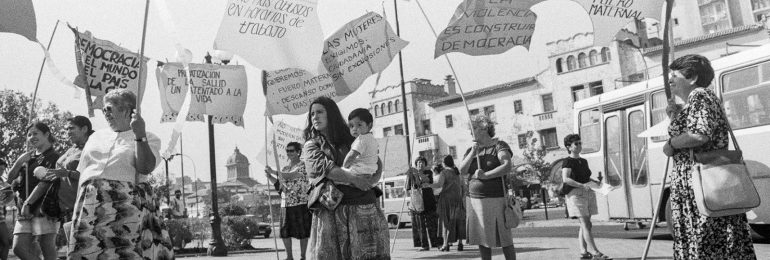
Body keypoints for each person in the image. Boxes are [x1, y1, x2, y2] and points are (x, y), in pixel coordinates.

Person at [664, 54, 756, 259]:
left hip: (702, 184)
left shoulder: (700, 95)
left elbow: (699, 134)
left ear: (692, 77)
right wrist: (675, 115)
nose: (670, 80)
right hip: (702, 183)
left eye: (675, 75)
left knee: (708, 241)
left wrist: (670, 144)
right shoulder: (695, 100)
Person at [68, 89, 174, 259]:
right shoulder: (95, 137)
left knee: (125, 252)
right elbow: (83, 173)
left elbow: (145, 167)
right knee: (87, 252)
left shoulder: (149, 137)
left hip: (125, 206)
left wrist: (140, 135)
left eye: (109, 109)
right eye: (104, 109)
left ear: (127, 110)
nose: (105, 113)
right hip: (90, 204)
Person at [302, 96, 389, 260]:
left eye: (320, 112)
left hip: (365, 206)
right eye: (312, 114)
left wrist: (370, 182)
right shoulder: (311, 145)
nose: (315, 117)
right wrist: (356, 180)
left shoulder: (355, 138)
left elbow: (376, 161)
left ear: (331, 114)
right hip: (333, 211)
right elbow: (326, 169)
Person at [458, 115, 515, 260]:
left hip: (495, 199)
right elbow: (462, 170)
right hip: (474, 200)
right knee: (482, 239)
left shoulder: (499, 146)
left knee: (504, 238)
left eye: (474, 128)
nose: (471, 132)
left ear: (484, 128)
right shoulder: (472, 149)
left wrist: (486, 175)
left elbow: (507, 165)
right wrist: (472, 152)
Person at [6, 122, 61, 260]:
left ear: (47, 134)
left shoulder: (54, 156)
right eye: (29, 134)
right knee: (19, 248)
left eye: (35, 133)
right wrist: (19, 162)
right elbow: (9, 178)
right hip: (23, 209)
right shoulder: (27, 157)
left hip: (44, 208)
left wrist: (28, 204)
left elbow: (45, 183)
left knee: (46, 245)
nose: (31, 137)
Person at [561, 134, 607, 260]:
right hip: (576, 194)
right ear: (569, 147)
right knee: (585, 224)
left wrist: (595, 182)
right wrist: (581, 185)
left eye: (580, 143)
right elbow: (566, 179)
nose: (579, 145)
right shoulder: (567, 161)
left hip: (587, 192)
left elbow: (585, 177)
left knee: (586, 224)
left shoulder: (583, 161)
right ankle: (595, 252)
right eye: (576, 143)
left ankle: (583, 252)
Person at [265, 141, 312, 260]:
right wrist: (270, 176)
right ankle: (289, 256)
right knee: (284, 231)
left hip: (300, 202)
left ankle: (302, 257)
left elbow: (290, 176)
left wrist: (274, 172)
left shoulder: (303, 165)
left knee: (302, 232)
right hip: (285, 203)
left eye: (291, 151)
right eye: (287, 151)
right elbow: (280, 186)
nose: (289, 153)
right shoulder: (285, 168)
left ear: (298, 152)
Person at [429, 155, 465, 252]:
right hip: (457, 199)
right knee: (458, 222)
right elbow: (463, 187)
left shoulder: (444, 172)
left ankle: (446, 244)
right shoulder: (457, 173)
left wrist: (428, 185)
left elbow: (439, 185)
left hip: (446, 200)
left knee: (446, 223)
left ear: (444, 163)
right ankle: (460, 244)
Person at [406, 157, 441, 251]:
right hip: (418, 202)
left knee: (432, 223)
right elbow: (409, 187)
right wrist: (410, 175)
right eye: (418, 163)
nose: (420, 164)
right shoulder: (412, 173)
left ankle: (436, 243)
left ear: (425, 164)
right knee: (420, 225)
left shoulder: (428, 172)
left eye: (422, 163)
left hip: (429, 200)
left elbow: (426, 181)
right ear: (416, 164)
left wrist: (418, 173)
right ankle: (424, 245)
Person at [341, 108, 378, 182]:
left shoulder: (361, 139)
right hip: (370, 172)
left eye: (359, 125)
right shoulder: (372, 139)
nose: (354, 128)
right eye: (351, 126)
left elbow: (351, 155)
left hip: (358, 171)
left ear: (369, 125)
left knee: (336, 175)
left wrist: (344, 166)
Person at [0, 159, 10, 260]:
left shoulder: (3, 182)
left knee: (5, 243)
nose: (2, 171)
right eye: (0, 169)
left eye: (3, 169)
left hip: (1, 217)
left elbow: (6, 199)